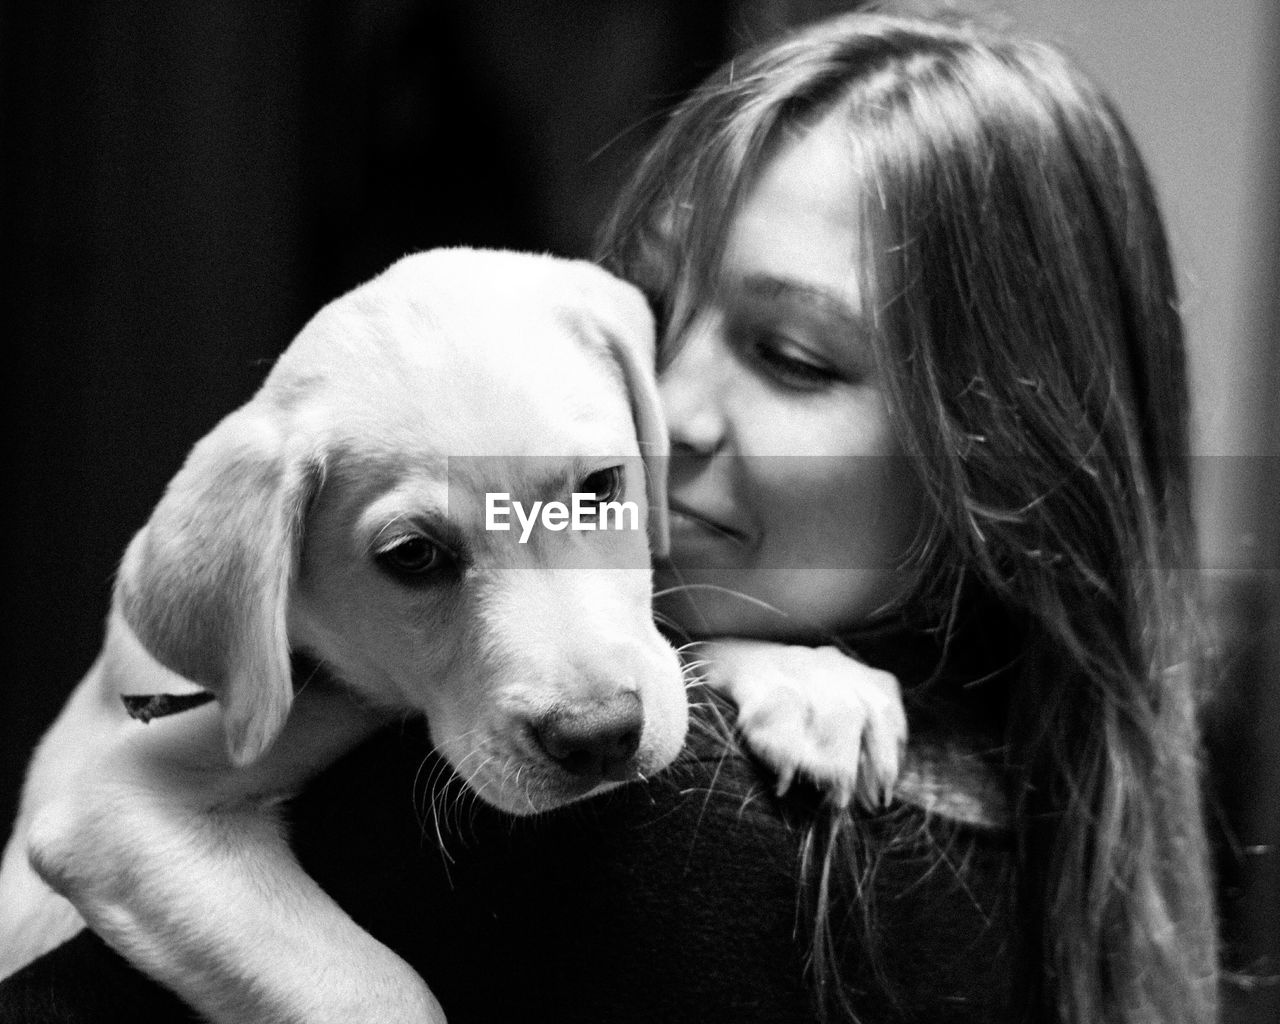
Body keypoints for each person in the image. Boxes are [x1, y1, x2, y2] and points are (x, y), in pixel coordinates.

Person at [0, 8, 1218, 1024]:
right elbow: (105, 815)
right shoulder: (1037, 862)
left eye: (790, 353)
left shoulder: (692, 853)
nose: (665, 411)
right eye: (658, 300)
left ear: (1005, 459)